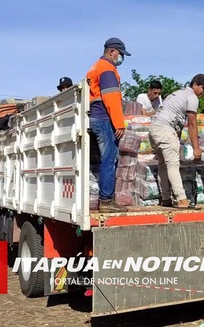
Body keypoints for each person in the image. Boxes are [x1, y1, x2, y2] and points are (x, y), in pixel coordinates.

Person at [149, 74, 204, 209]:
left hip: (154, 129)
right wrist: (196, 148)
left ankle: (166, 198)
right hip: (165, 129)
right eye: (203, 89)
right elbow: (192, 123)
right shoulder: (192, 97)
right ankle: (182, 199)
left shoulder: (177, 94)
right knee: (172, 164)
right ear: (195, 85)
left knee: (162, 165)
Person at [86, 37, 130, 212]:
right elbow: (111, 97)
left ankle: (105, 198)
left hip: (95, 117)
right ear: (112, 51)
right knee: (109, 159)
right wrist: (119, 123)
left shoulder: (95, 67)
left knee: (105, 158)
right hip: (104, 118)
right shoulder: (107, 68)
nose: (121, 59)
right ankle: (106, 201)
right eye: (120, 55)